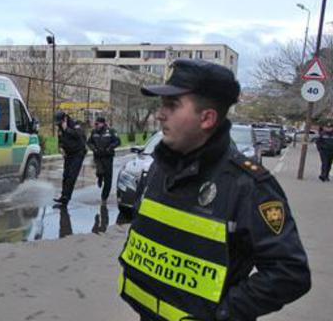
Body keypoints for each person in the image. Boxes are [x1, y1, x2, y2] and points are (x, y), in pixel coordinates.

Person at [117, 59, 311, 321]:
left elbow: (289, 273)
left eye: (172, 105)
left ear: (207, 118)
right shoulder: (160, 168)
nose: (160, 114)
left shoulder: (248, 185)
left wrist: (222, 314)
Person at [53, 111, 87, 208]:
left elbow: (79, 136)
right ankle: (63, 196)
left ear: (65, 119)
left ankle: (65, 200)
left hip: (78, 153)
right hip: (68, 154)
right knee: (66, 175)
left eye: (60, 122)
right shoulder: (60, 128)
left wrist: (66, 129)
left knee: (71, 176)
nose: (58, 125)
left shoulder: (75, 124)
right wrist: (60, 148)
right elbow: (60, 140)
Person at [87, 117, 121, 205]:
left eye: (97, 124)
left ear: (103, 123)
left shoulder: (110, 131)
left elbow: (118, 141)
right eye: (95, 124)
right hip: (98, 157)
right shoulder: (94, 132)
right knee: (100, 171)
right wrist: (93, 149)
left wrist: (110, 148)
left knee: (108, 179)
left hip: (108, 157)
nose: (96, 125)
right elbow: (89, 142)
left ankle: (104, 197)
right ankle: (99, 177)